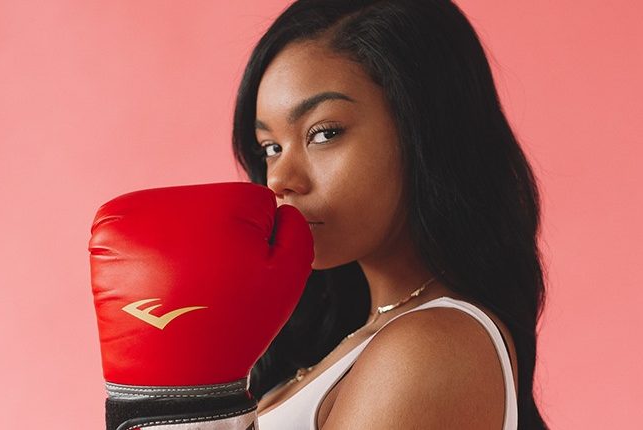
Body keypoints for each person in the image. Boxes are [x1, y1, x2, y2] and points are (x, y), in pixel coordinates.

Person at [232, 0, 548, 428]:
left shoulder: (431, 348)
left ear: (423, 129)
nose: (278, 179)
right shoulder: (353, 339)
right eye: (271, 147)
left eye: (324, 133)